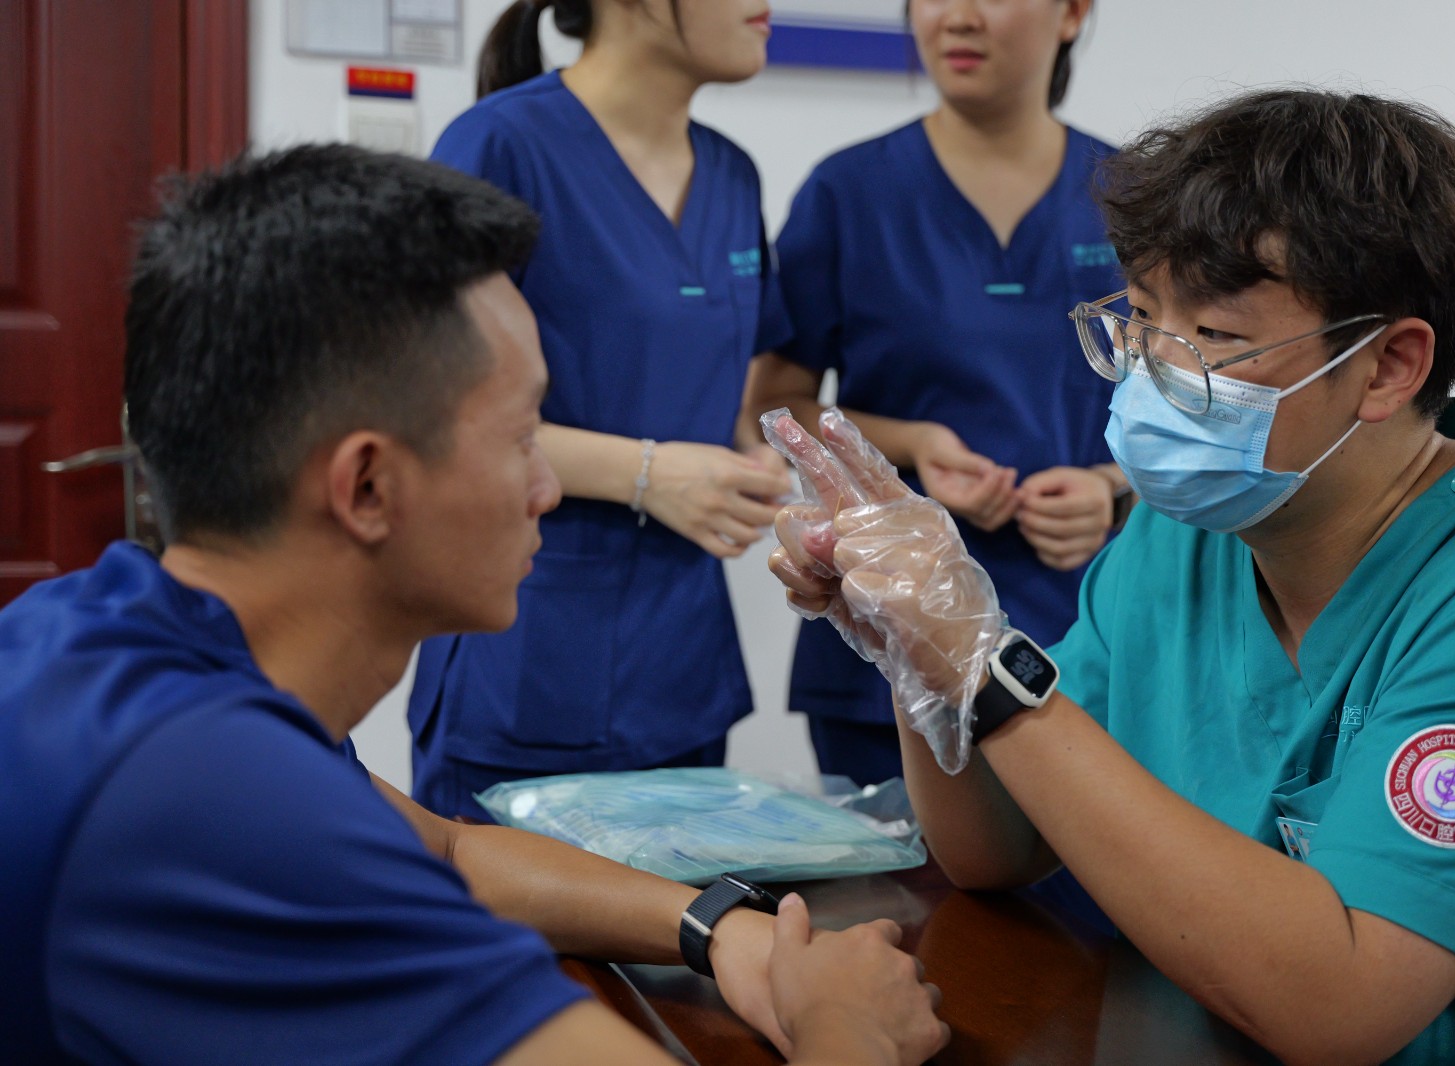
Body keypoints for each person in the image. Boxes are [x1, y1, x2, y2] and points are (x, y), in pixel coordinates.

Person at [0, 143, 948, 1065]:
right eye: (521, 436)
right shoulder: (215, 798)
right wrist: (850, 1025)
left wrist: (722, 930)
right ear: (366, 486)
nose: (547, 487)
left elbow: (450, 855)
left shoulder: (104, 633)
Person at [766, 88, 1455, 1063]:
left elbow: (1340, 1006)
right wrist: (918, 637)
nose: (1153, 377)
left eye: (1215, 338)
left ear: (1386, 367)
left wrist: (987, 674)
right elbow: (995, 849)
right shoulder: (1191, 528)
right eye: (1143, 319)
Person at [406, 0, 794, 819]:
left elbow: (705, 384)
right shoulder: (500, 145)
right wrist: (648, 474)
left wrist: (751, 464)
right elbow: (428, 412)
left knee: (681, 905)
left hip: (683, 667)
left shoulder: (732, 174)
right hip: (528, 657)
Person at [745, 0, 1127, 788]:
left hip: (1094, 622)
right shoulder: (848, 192)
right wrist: (912, 445)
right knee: (893, 865)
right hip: (888, 631)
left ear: (1072, 13)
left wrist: (1113, 491)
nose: (956, 17)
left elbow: (1211, 398)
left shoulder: (1133, 197)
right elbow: (772, 405)